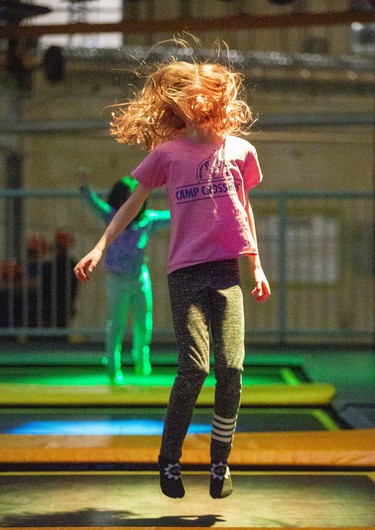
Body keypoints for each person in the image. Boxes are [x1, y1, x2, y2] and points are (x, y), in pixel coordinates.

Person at [74, 54, 271, 499]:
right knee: (195, 368)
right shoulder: (167, 154)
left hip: (226, 272)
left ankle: (220, 462)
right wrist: (100, 245)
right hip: (184, 272)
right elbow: (131, 204)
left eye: (200, 97)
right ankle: (169, 460)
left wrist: (255, 263)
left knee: (232, 368)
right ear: (176, 108)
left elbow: (244, 206)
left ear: (216, 100)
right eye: (183, 100)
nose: (193, 105)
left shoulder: (240, 150)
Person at [77, 169, 170, 383]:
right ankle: (112, 365)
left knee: (143, 322)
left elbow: (171, 217)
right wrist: (85, 188)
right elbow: (94, 204)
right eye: (127, 198)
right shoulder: (112, 216)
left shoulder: (147, 220)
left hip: (139, 278)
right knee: (116, 322)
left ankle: (141, 358)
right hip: (117, 279)